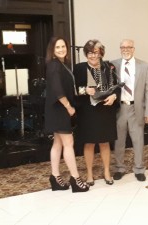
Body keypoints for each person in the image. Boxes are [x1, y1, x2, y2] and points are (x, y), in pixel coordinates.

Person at [44, 37, 89, 192]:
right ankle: (76, 180)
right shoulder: (55, 65)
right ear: (52, 50)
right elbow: (58, 91)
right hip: (60, 109)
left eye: (63, 46)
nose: (61, 49)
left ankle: (55, 177)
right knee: (68, 143)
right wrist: (69, 107)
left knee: (57, 143)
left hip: (56, 109)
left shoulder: (60, 64)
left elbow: (69, 88)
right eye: (58, 47)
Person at [73, 39, 120, 186]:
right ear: (86, 54)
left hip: (106, 109)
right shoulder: (79, 68)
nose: (92, 56)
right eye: (89, 53)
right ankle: (89, 174)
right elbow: (72, 89)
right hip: (87, 111)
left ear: (101, 53)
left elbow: (117, 86)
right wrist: (85, 90)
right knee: (89, 143)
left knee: (105, 142)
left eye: (95, 53)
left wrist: (114, 96)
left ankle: (106, 172)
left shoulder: (109, 67)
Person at [111, 39, 148, 181]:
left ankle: (139, 169)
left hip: (137, 108)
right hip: (119, 108)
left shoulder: (144, 66)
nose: (126, 49)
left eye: (129, 47)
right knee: (119, 140)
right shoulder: (113, 65)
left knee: (138, 140)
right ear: (120, 49)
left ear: (133, 49)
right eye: (123, 47)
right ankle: (119, 168)